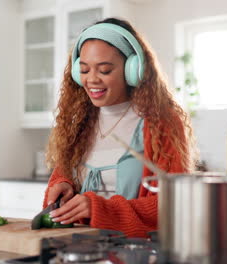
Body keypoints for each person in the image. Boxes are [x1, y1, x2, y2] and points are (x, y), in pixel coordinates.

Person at [43, 17, 197, 237]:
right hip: (79, 249)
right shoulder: (78, 122)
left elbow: (174, 203)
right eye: (84, 70)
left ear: (132, 70)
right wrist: (63, 185)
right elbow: (62, 177)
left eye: (104, 70)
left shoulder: (161, 122)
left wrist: (99, 209)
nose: (92, 80)